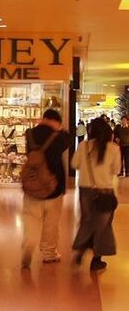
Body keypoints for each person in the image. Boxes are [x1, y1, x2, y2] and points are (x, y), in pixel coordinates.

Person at [21, 109, 71, 268]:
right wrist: (59, 129)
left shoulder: (30, 134)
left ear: (43, 118)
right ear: (56, 122)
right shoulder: (59, 137)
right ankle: (49, 253)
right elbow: (68, 139)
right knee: (51, 223)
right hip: (53, 187)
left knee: (31, 219)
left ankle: (29, 243)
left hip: (32, 186)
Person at [71, 118, 120, 271]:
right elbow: (116, 170)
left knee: (87, 221)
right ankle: (96, 259)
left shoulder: (83, 146)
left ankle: (81, 248)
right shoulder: (113, 148)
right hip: (105, 191)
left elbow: (74, 164)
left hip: (86, 190)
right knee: (102, 226)